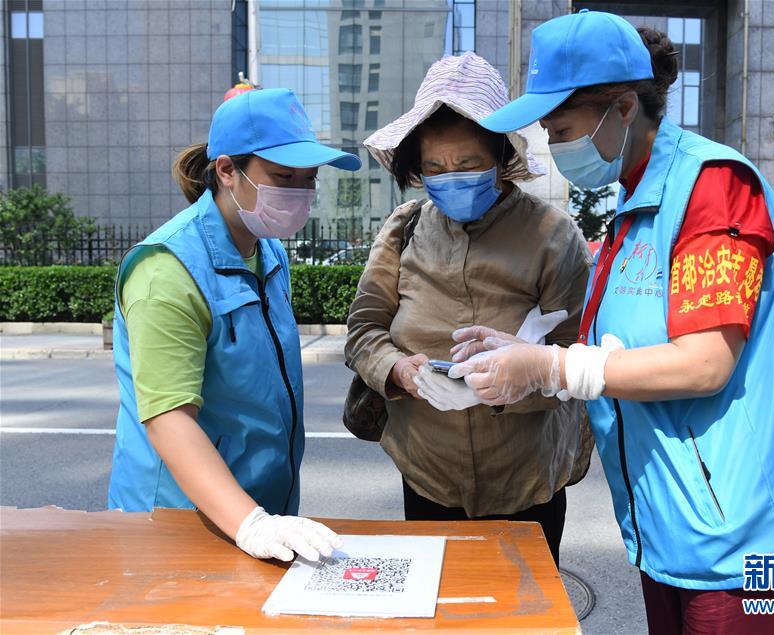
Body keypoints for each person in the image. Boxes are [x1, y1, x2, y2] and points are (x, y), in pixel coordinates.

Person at [450, 12, 774, 634]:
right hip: (672, 528)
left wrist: (555, 366)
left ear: (622, 106)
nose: (556, 147)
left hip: (743, 547)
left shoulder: (712, 187)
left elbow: (705, 362)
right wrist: (526, 353)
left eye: (561, 128)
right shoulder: (634, 207)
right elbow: (619, 350)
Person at [345, 53, 593, 566]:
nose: (450, 177)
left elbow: (576, 358)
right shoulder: (403, 229)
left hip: (526, 481)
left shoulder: (552, 236)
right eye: (435, 167)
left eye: (468, 165)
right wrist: (398, 370)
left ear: (501, 158)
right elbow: (364, 331)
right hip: (428, 473)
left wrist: (516, 380)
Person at [108, 88, 362, 563]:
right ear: (227, 170)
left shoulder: (268, 252)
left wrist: (264, 519)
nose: (299, 193)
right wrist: (251, 523)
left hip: (263, 510)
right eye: (284, 176)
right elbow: (168, 418)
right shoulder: (166, 269)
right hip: (179, 520)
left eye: (309, 180)